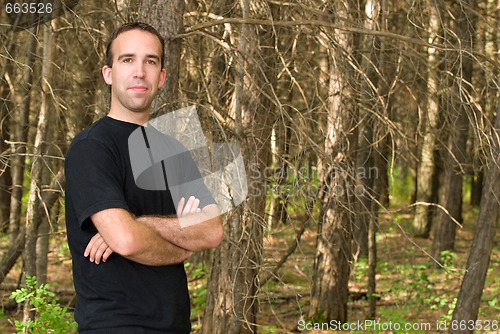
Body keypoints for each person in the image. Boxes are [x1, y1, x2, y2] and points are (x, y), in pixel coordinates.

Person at [65, 22, 223, 333]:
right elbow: (125, 241)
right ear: (108, 74)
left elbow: (211, 231)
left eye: (150, 61)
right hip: (115, 324)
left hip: (176, 324)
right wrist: (182, 245)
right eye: (127, 60)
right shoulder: (91, 148)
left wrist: (145, 223)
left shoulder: (173, 149)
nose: (140, 71)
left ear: (161, 77)